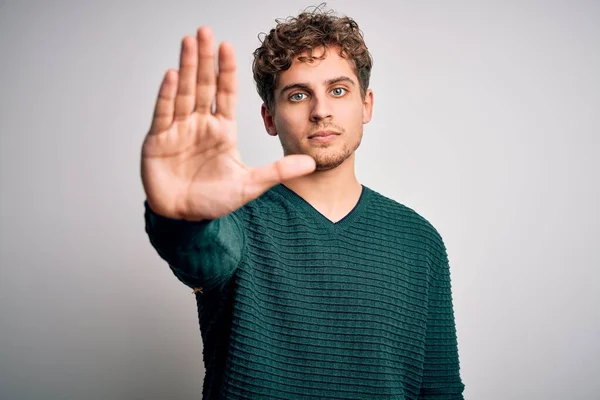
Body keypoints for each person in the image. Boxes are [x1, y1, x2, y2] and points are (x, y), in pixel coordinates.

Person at [141, 6, 465, 400]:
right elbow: (199, 251)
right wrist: (182, 216)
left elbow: (440, 390)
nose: (321, 110)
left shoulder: (418, 240)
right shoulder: (237, 222)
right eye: (298, 95)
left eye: (339, 90)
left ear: (366, 105)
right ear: (270, 117)